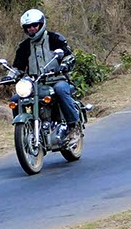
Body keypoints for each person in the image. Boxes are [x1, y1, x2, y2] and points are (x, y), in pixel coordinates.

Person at [11, 9, 81, 139]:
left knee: (60, 90)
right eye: (28, 27)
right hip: (36, 83)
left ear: (41, 24)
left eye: (34, 25)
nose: (31, 29)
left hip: (57, 79)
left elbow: (69, 56)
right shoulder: (24, 46)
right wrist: (11, 75)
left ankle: (73, 125)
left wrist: (63, 65)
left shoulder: (55, 39)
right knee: (16, 98)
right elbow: (18, 67)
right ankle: (24, 131)